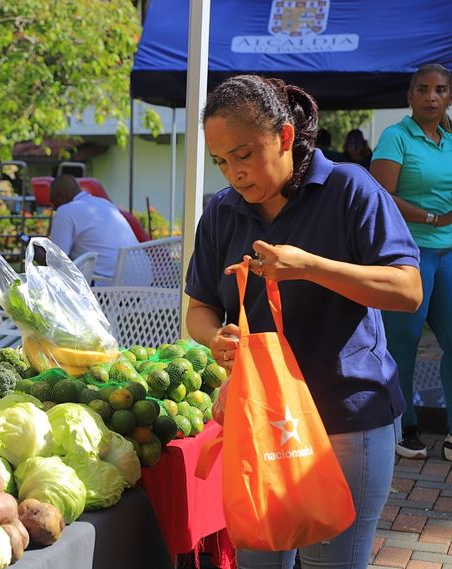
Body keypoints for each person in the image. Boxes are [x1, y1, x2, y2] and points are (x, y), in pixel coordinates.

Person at [185, 74, 422, 568]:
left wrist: (311, 267)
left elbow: (407, 290)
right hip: (261, 424)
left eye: (244, 155)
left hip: (347, 420)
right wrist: (215, 336)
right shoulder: (221, 212)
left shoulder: (349, 188)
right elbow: (201, 308)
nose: (234, 174)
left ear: (285, 137)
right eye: (221, 162)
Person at [370, 63, 452, 461]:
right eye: (423, 89)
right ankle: (404, 426)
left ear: (449, 96)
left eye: (440, 90)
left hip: (450, 253)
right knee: (402, 344)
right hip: (408, 255)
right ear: (410, 96)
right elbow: (379, 195)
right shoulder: (395, 137)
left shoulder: (451, 140)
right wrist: (432, 218)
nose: (432, 97)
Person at [48, 174, 139, 282]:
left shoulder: (65, 211)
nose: (54, 208)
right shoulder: (105, 203)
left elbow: (57, 263)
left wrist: (34, 250)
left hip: (109, 287)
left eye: (53, 202)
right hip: (142, 281)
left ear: (62, 196)